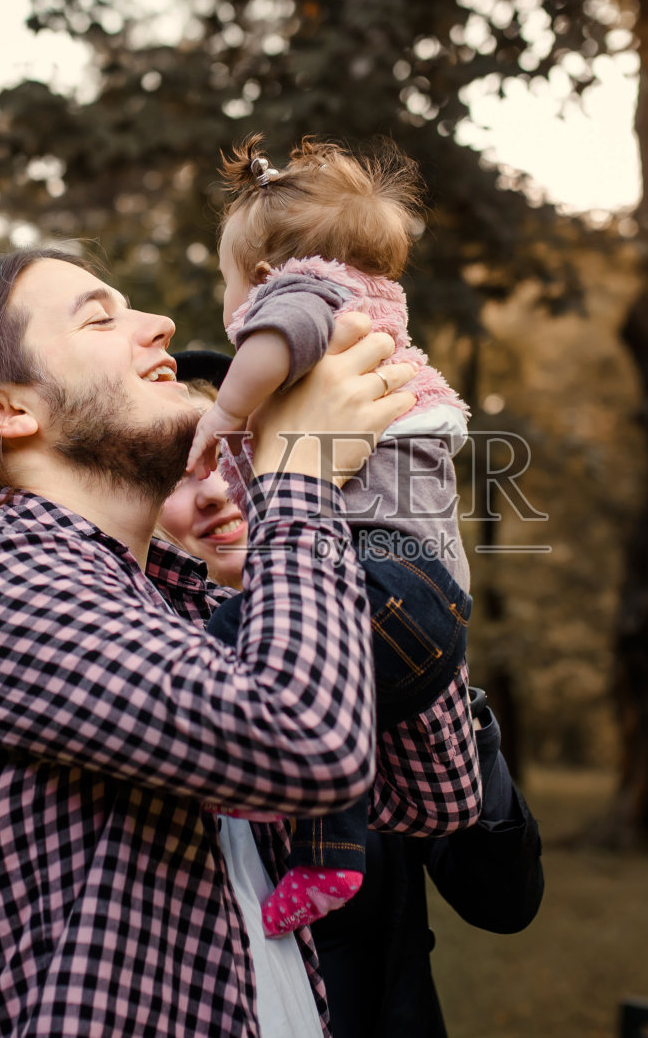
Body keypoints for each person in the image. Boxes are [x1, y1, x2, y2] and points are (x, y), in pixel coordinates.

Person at [0, 248, 481, 1038]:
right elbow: (303, 742)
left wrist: (381, 498)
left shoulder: (180, 607)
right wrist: (301, 474)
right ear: (8, 409)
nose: (159, 325)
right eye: (100, 318)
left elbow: (432, 794)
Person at [162, 353, 544, 1038]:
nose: (216, 490)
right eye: (179, 474)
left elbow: (503, 900)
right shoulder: (146, 678)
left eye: (238, 454)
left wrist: (450, 693)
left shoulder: (388, 647)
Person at [184, 135, 476, 938]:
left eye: (226, 282)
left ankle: (246, 767)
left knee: (238, 635)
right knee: (327, 680)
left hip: (383, 579)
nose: (233, 303)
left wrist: (227, 410)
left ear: (262, 275)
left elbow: (276, 336)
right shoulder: (377, 311)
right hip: (430, 602)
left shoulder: (307, 295)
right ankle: (327, 857)